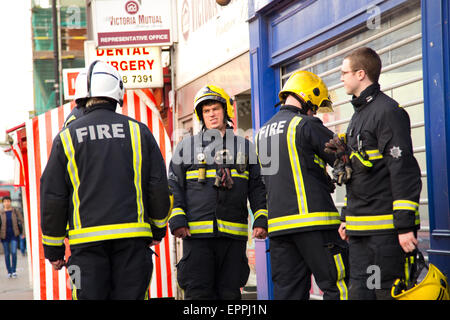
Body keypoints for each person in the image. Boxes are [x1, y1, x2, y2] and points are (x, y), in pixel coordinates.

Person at [40, 61, 172, 300]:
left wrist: (54, 249)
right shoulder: (138, 131)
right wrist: (158, 228)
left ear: (81, 96)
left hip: (85, 248)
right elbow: (158, 186)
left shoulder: (66, 138)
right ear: (117, 91)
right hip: (133, 244)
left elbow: (53, 197)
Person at [334, 47, 422, 300]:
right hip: (360, 234)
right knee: (360, 294)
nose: (340, 78)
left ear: (361, 74)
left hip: (386, 235)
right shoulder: (358, 116)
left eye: (344, 73)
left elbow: (403, 170)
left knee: (385, 293)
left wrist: (404, 226)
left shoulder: (388, 112)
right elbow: (356, 175)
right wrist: (346, 217)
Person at [168, 85, 268, 300]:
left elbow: (257, 186)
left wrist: (261, 219)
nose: (211, 114)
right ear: (200, 116)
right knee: (198, 295)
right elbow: (173, 185)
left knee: (230, 295)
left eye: (215, 109)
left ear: (225, 111)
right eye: (206, 111)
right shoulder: (186, 147)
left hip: (233, 238)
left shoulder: (245, 147)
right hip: (197, 237)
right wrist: (177, 218)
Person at [256, 70, 349, 300]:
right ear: (307, 97)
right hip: (315, 223)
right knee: (338, 286)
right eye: (314, 106)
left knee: (288, 294)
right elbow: (343, 158)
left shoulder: (261, 132)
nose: (314, 111)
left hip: (279, 229)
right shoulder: (306, 124)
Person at [0, 196, 24, 278]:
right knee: (7, 254)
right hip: (4, 236)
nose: (7, 203)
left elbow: (22, 221)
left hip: (14, 234)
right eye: (5, 201)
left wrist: (23, 233)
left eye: (8, 201)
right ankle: (9, 271)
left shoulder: (15, 211)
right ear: (3, 203)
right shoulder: (1, 212)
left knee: (14, 252)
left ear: (10, 202)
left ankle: (14, 271)